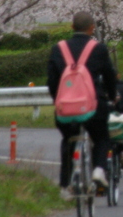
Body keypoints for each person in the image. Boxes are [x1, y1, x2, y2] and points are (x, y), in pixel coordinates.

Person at [48, 11, 118, 199]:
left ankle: (64, 186)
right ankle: (98, 171)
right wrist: (113, 96)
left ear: (72, 27)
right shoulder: (99, 49)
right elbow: (110, 78)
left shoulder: (58, 49)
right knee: (102, 137)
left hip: (66, 109)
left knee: (68, 140)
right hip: (94, 107)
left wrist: (59, 102)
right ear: (91, 28)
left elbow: (52, 82)